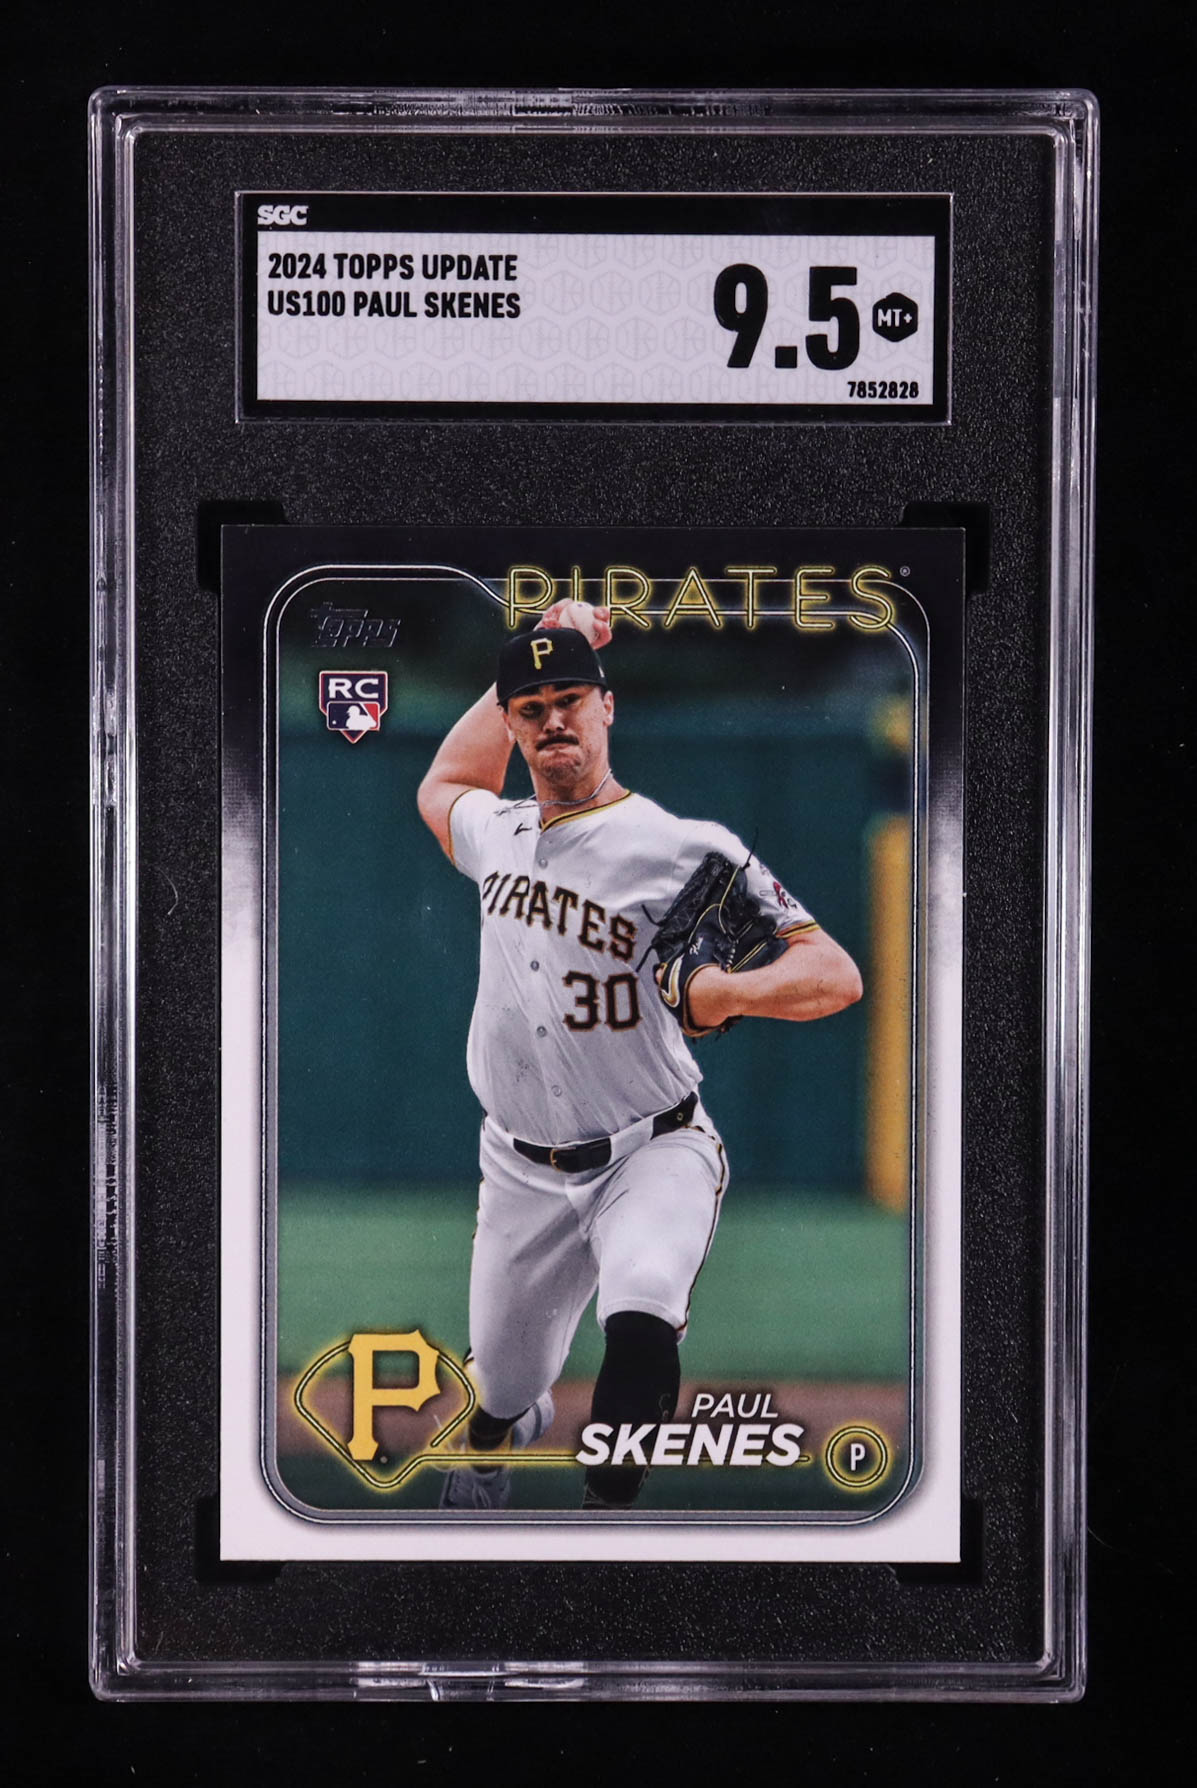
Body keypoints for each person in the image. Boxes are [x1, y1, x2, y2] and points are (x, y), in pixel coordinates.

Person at [416, 600, 862, 1510]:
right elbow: (446, 782)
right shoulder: (497, 835)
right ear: (511, 726)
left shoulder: (679, 849)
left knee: (643, 1304)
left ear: (606, 707)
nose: (553, 720)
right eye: (531, 708)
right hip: (521, 1169)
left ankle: (605, 1527)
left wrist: (725, 991)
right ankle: (496, 1435)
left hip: (651, 1149)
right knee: (502, 1382)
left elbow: (834, 973)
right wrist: (534, 646)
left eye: (569, 699)